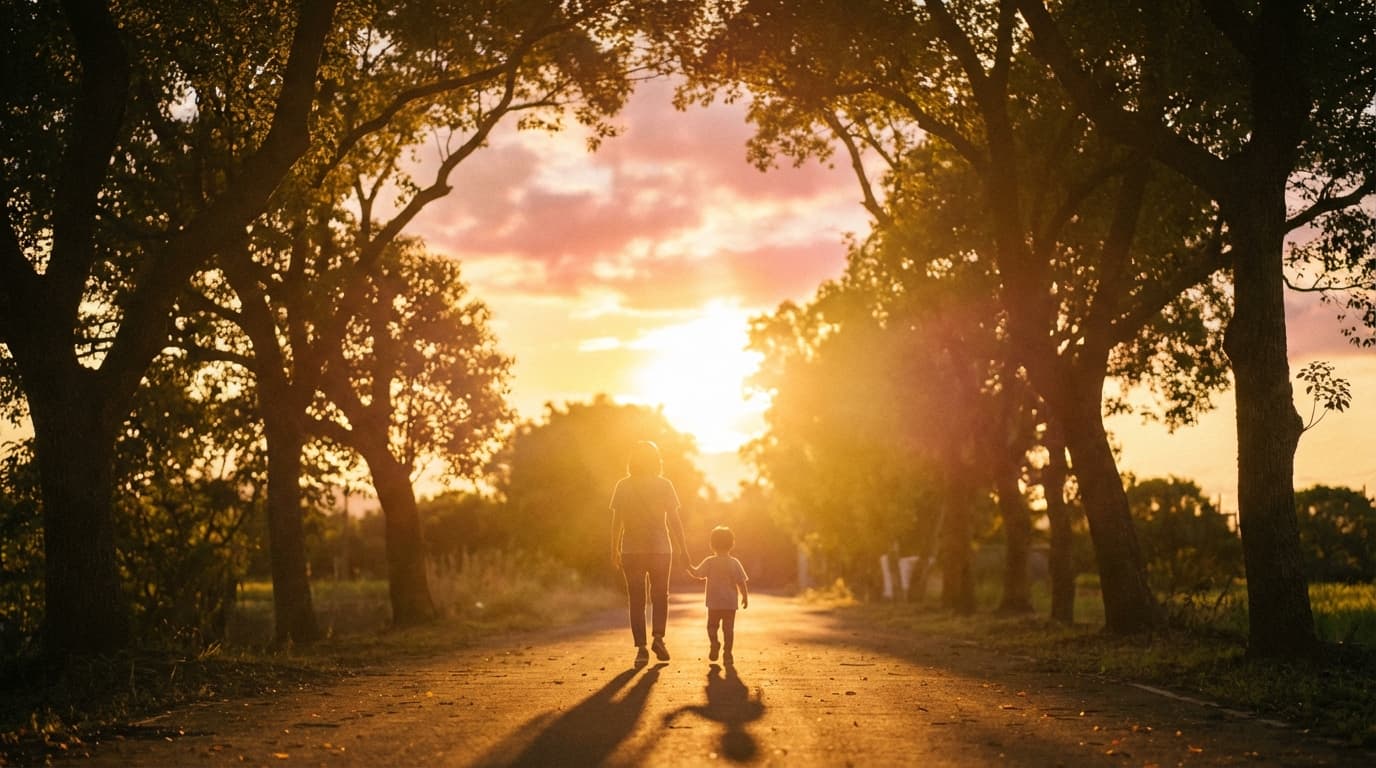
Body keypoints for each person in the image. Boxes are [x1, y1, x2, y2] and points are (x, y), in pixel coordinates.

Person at [609, 440, 691, 666]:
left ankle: (642, 649)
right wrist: (683, 548)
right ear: (656, 461)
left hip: (631, 550)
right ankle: (658, 638)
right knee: (660, 595)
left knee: (636, 599)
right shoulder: (664, 484)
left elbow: (617, 521)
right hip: (661, 549)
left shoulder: (623, 485)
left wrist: (613, 548)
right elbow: (675, 521)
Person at [688, 525, 749, 664]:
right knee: (728, 630)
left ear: (712, 544)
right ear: (732, 543)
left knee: (711, 627)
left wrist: (687, 566)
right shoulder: (734, 563)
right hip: (729, 604)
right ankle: (728, 654)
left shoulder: (710, 562)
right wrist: (745, 597)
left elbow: (697, 573)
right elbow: (741, 582)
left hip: (713, 604)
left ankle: (714, 643)